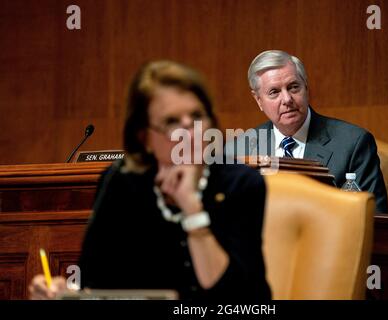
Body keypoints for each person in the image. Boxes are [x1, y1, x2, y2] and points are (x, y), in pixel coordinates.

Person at [29, 60, 271, 301]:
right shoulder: (121, 182)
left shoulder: (241, 184)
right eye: (171, 122)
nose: (191, 129)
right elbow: (94, 283)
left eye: (197, 115)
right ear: (144, 137)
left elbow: (241, 299)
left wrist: (191, 207)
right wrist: (63, 294)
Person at [233, 49, 388, 213]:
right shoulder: (241, 149)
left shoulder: (353, 144)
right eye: (274, 92)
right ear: (259, 101)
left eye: (293, 87)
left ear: (306, 87)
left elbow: (375, 219)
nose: (287, 99)